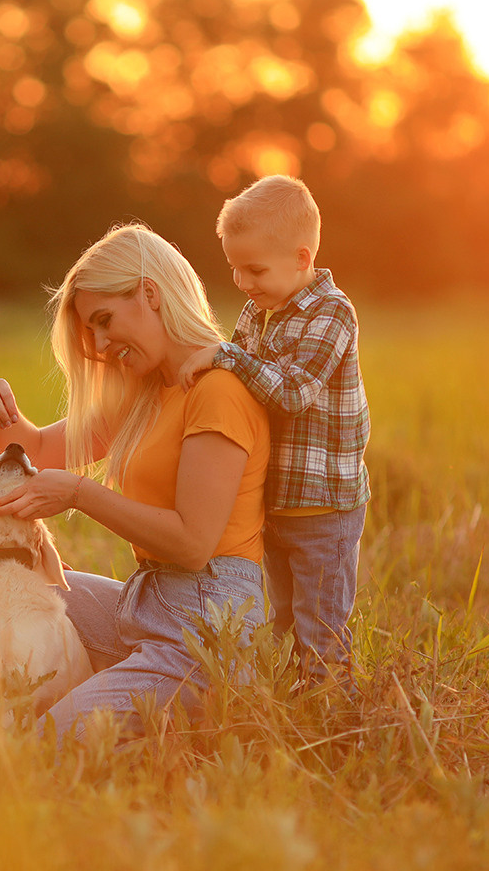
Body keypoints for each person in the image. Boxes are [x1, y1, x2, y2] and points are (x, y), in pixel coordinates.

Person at [0, 224, 269, 743]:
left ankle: (59, 718)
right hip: (151, 604)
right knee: (14, 584)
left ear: (150, 293)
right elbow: (39, 450)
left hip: (209, 629)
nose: (102, 345)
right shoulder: (146, 394)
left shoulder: (217, 391)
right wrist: (5, 418)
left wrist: (80, 494)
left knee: (43, 747)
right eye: (93, 332)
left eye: (104, 321)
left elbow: (194, 543)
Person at [178, 175, 371, 682]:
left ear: (303, 259)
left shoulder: (332, 314)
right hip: (277, 501)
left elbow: (293, 393)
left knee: (320, 625)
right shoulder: (257, 310)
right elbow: (243, 389)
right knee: (279, 616)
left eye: (255, 269)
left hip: (325, 503)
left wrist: (226, 355)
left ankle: (334, 713)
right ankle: (284, 701)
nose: (243, 282)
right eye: (235, 269)